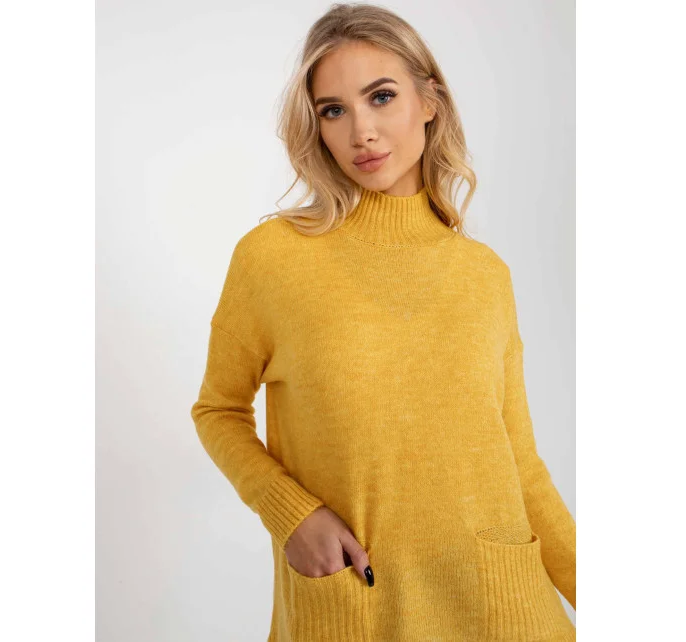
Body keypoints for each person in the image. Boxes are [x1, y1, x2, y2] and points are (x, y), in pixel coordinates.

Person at [190, 3, 576, 641]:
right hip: (357, 610)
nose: (361, 131)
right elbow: (219, 410)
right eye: (333, 110)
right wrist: (292, 514)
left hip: (503, 608)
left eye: (381, 96)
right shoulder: (273, 258)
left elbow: (520, 463)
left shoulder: (485, 275)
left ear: (430, 102)